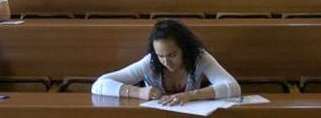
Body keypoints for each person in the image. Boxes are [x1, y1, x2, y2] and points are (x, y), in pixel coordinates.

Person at [92, 18, 240, 104]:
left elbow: (233, 87)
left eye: (172, 55)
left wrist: (190, 95)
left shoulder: (199, 57)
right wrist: (137, 92)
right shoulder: (150, 62)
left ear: (184, 48)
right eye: (160, 56)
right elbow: (100, 85)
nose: (166, 62)